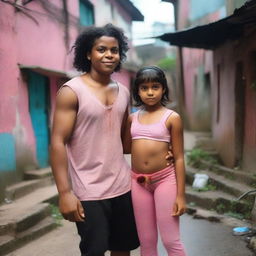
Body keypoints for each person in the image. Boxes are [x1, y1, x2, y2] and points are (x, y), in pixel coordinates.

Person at [50, 24, 140, 256]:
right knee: (95, 250)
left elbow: (126, 142)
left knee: (123, 249)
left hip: (123, 187)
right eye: (101, 49)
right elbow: (58, 142)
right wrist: (64, 193)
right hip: (89, 191)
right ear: (88, 53)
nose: (109, 55)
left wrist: (162, 151)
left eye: (114, 50)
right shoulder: (72, 91)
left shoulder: (123, 91)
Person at [124, 66, 187, 256]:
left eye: (155, 87)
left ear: (164, 89)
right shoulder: (132, 119)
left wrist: (181, 196)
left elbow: (179, 157)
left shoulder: (172, 118)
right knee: (147, 241)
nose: (150, 92)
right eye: (144, 88)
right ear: (137, 91)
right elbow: (126, 147)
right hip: (138, 182)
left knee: (171, 241)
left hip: (165, 180)